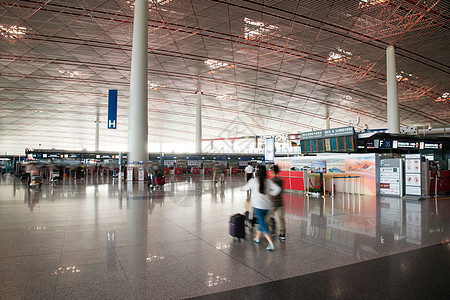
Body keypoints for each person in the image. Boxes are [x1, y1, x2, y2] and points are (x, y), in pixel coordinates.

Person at [241, 165, 281, 251]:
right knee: (261, 221)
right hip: (267, 206)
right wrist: (271, 193)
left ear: (257, 172)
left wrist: (241, 188)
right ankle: (257, 238)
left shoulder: (253, 181)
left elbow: (246, 187)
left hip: (257, 206)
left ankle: (271, 243)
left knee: (263, 224)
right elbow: (278, 189)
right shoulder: (268, 182)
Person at [266, 165, 286, 240]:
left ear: (273, 172)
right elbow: (282, 191)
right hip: (280, 202)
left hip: (272, 202)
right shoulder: (280, 180)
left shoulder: (271, 181)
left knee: (267, 217)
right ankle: (282, 234)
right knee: (281, 218)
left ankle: (265, 231)